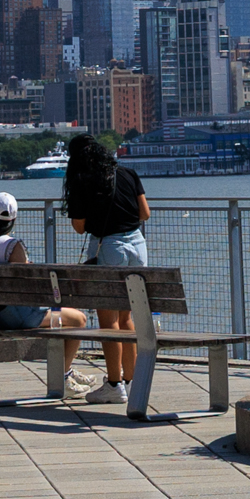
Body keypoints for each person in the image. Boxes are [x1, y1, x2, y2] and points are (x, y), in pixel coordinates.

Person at [0, 189, 88, 389]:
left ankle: (66, 372)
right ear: (13, 219)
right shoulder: (12, 246)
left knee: (64, 315)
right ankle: (63, 376)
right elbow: (29, 285)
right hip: (18, 317)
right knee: (79, 319)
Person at [63, 133, 151, 404]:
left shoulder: (81, 180)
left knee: (108, 321)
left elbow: (79, 227)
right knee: (126, 318)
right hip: (138, 245)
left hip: (109, 248)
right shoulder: (128, 173)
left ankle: (114, 385)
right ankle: (131, 381)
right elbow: (144, 213)